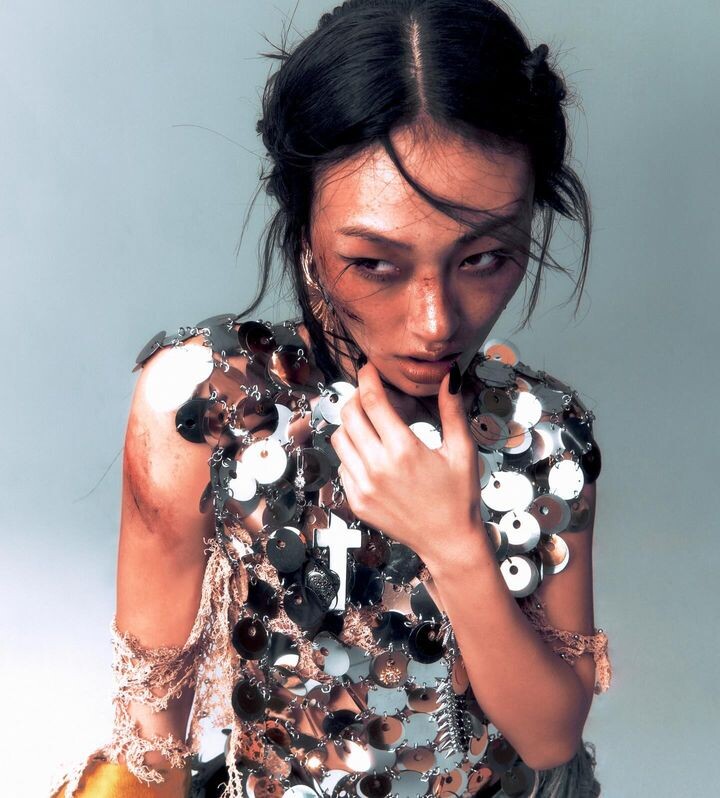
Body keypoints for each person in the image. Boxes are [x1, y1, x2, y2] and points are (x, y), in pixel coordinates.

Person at [49, 1, 613, 796]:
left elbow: (551, 736)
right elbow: (151, 738)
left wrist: (452, 544)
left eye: (485, 257)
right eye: (375, 263)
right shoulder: (207, 404)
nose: (435, 322)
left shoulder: (542, 433)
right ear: (305, 223)